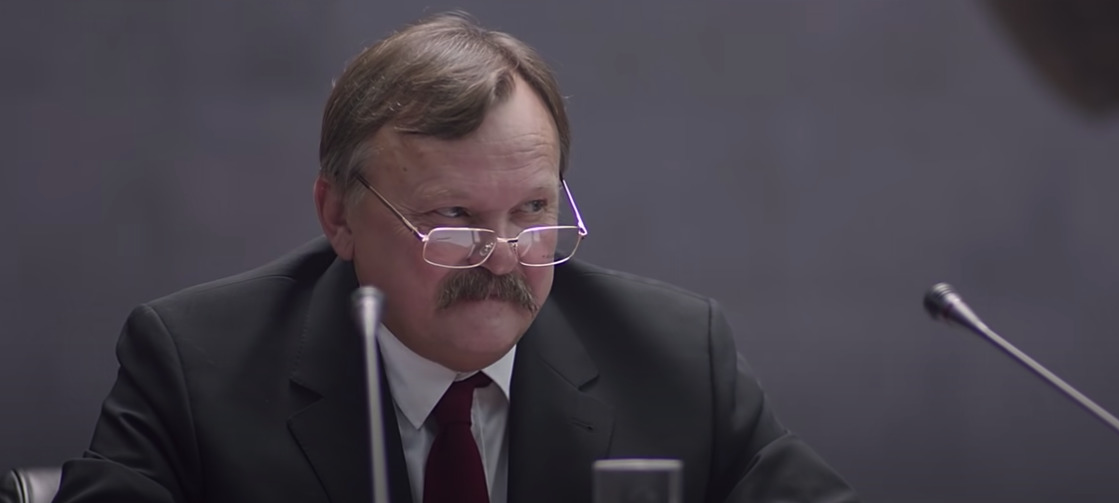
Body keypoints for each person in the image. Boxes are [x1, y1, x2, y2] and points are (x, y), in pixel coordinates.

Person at [53, 11, 859, 503]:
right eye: (454, 218)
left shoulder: (677, 356)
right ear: (340, 215)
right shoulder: (195, 366)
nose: (505, 256)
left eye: (534, 211)